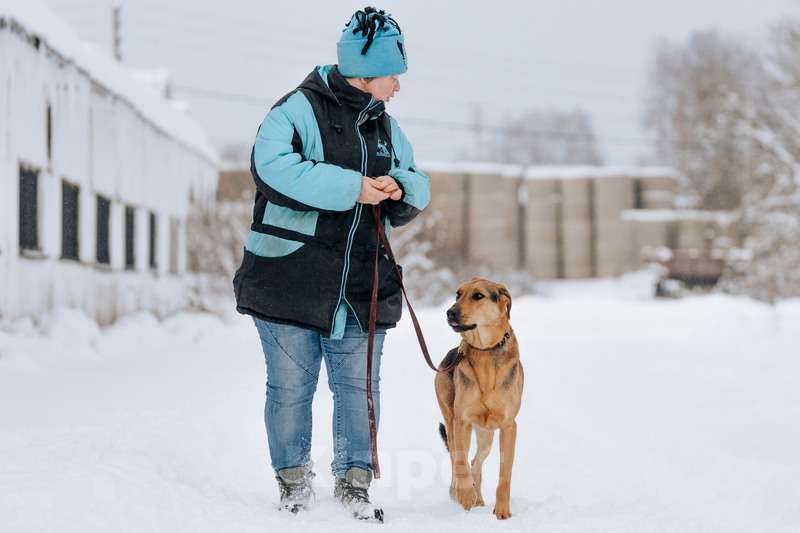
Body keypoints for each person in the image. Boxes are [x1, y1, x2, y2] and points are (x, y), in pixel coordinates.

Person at [232, 6, 430, 522]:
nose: (398, 88)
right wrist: (352, 187)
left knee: (359, 390)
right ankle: (293, 483)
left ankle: (354, 486)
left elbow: (418, 181)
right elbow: (273, 168)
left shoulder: (386, 127)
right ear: (367, 73)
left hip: (363, 282)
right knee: (290, 388)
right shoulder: (295, 110)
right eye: (394, 77)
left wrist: (398, 187)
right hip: (288, 279)